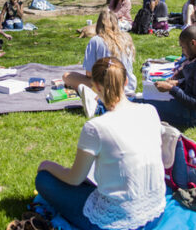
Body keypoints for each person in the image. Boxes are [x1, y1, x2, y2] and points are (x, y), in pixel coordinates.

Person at [36, 57, 166, 230]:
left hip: (120, 222)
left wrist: (48, 165)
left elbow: (74, 179)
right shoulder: (150, 111)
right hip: (156, 212)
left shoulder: (96, 127)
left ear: (95, 87)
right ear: (126, 81)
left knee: (44, 180)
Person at [138, 26, 196, 128]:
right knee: (142, 99)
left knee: (142, 105)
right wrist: (179, 83)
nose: (183, 52)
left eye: (183, 47)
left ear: (193, 43)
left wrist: (171, 89)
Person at [63, 9, 137, 96]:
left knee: (67, 76)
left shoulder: (96, 41)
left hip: (106, 88)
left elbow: (89, 74)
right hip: (128, 86)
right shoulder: (126, 38)